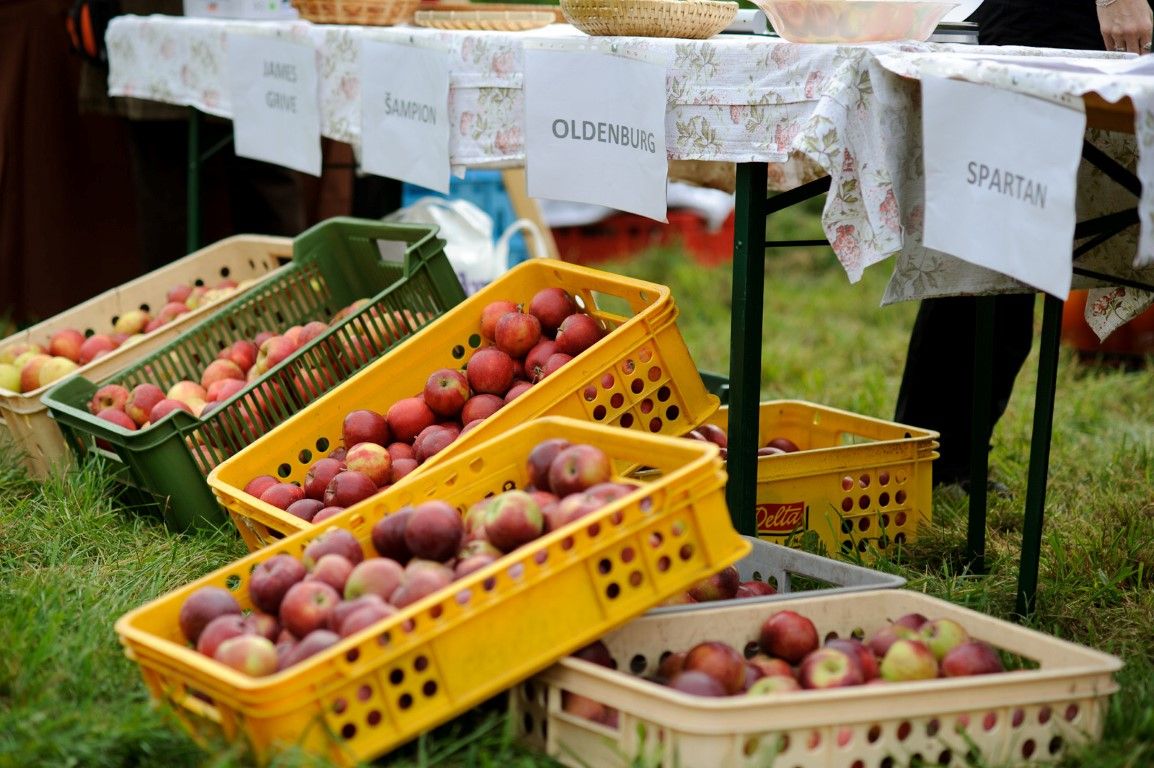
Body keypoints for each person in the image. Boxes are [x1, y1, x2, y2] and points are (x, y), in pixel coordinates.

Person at [894, 0, 1154, 489]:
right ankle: (934, 459)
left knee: (1013, 251)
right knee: (996, 249)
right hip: (1057, 18)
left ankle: (941, 457)